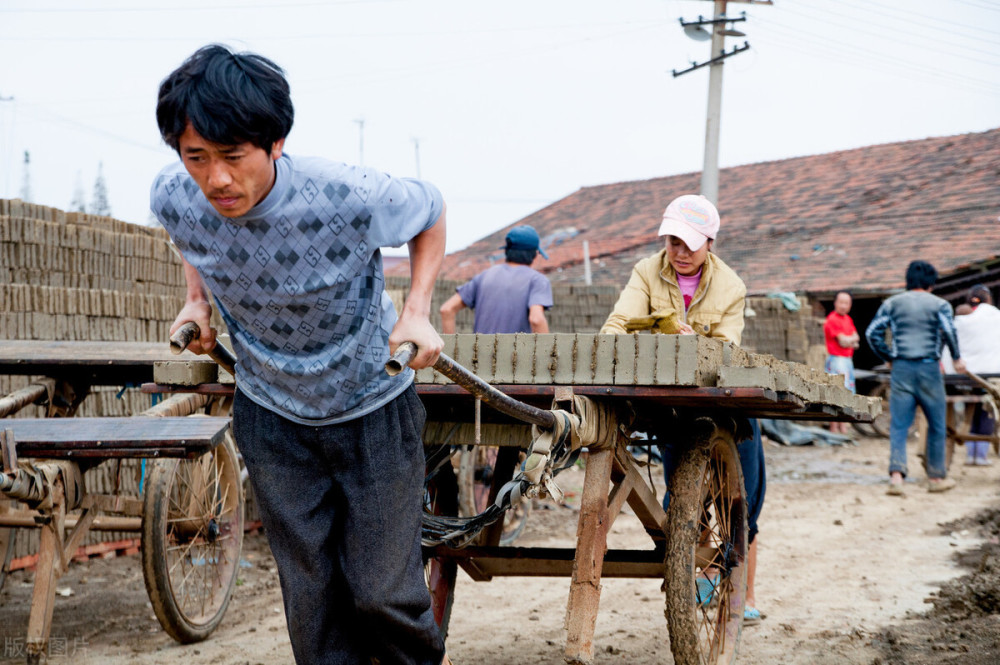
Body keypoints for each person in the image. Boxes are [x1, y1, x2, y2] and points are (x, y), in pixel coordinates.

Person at [151, 45, 451, 665]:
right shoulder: (174, 196)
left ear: (276, 143)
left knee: (382, 594)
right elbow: (188, 231)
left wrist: (417, 309)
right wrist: (195, 303)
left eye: (233, 157)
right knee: (311, 600)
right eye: (196, 158)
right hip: (272, 413)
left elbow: (432, 211)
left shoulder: (348, 194)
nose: (217, 180)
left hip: (371, 404)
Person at [600, 194, 766, 626]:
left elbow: (728, 348)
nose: (680, 252)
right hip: (667, 398)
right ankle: (691, 566)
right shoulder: (646, 271)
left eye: (690, 244)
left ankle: (740, 592)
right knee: (679, 495)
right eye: (673, 242)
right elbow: (617, 325)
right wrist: (652, 334)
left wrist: (698, 346)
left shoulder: (731, 286)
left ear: (710, 242)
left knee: (744, 497)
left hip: (717, 396)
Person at [865, 261, 965, 496]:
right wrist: (957, 358)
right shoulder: (940, 304)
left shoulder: (892, 303)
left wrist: (888, 356)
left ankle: (897, 478)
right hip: (929, 369)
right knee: (937, 425)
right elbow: (949, 330)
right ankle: (936, 477)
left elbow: (872, 333)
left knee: (899, 425)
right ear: (931, 283)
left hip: (901, 369)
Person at [439, 225, 552, 334]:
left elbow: (447, 309)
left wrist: (452, 350)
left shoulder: (484, 276)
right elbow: (536, 319)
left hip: (478, 352)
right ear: (535, 254)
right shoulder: (537, 280)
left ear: (506, 251)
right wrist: (546, 352)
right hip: (516, 353)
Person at [942, 285, 1000, 465]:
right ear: (988, 300)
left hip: (960, 378)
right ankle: (979, 455)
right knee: (986, 409)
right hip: (989, 377)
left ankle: (971, 453)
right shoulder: (995, 317)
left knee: (971, 407)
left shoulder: (959, 320)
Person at [823, 291, 860, 434]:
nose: (844, 306)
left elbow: (856, 338)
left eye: (847, 303)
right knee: (836, 394)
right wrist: (851, 341)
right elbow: (844, 341)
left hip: (847, 361)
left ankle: (843, 428)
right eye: (841, 302)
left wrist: (849, 340)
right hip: (836, 360)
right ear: (835, 303)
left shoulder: (848, 320)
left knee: (846, 394)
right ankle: (834, 429)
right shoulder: (832, 319)